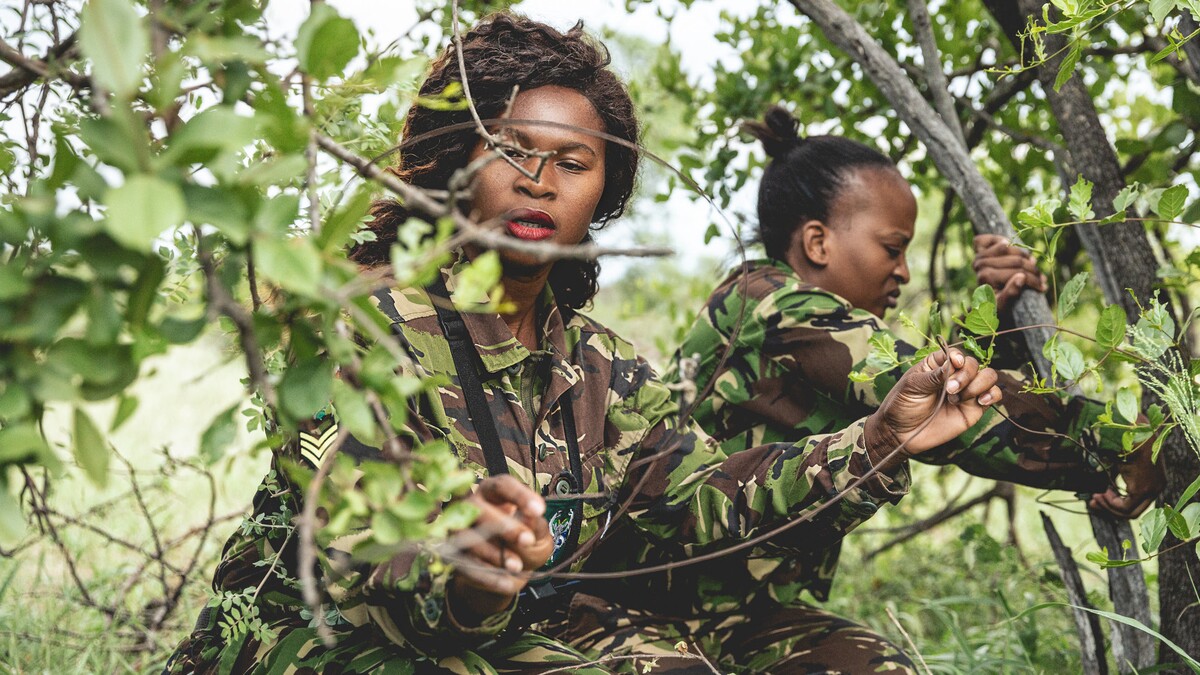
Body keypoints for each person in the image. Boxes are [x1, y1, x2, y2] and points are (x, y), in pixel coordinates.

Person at [163, 18, 1003, 675]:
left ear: (603, 192)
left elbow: (698, 503)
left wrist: (878, 442)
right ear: (455, 162)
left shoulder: (598, 360)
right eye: (511, 150)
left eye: (573, 161)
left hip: (532, 621)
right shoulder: (359, 322)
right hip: (326, 638)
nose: (539, 180)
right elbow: (371, 557)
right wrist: (464, 568)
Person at [555, 106, 1164, 673]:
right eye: (891, 248)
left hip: (747, 619)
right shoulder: (769, 303)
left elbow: (922, 395)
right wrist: (1117, 441)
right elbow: (933, 400)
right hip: (634, 611)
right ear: (817, 243)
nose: (902, 270)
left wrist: (1003, 327)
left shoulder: (800, 321)